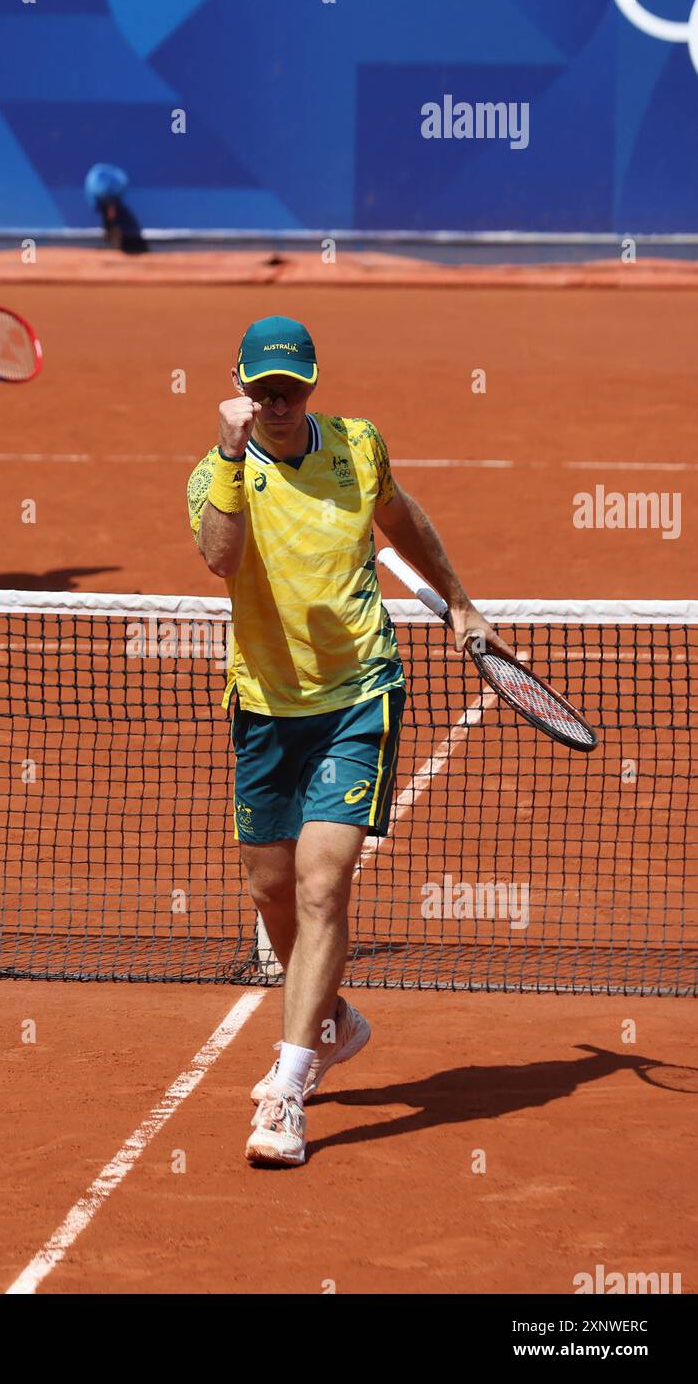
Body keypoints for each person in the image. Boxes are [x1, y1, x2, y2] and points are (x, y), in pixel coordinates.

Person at [186, 316, 512, 1167]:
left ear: (313, 383)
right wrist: (226, 458)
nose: (277, 401)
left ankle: (288, 1089)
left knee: (321, 882)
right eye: (262, 388)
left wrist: (460, 602)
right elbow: (219, 560)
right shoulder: (214, 477)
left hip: (357, 694)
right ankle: (334, 1022)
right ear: (239, 386)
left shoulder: (359, 446)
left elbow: (400, 520)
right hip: (263, 704)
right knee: (271, 891)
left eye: (291, 386)